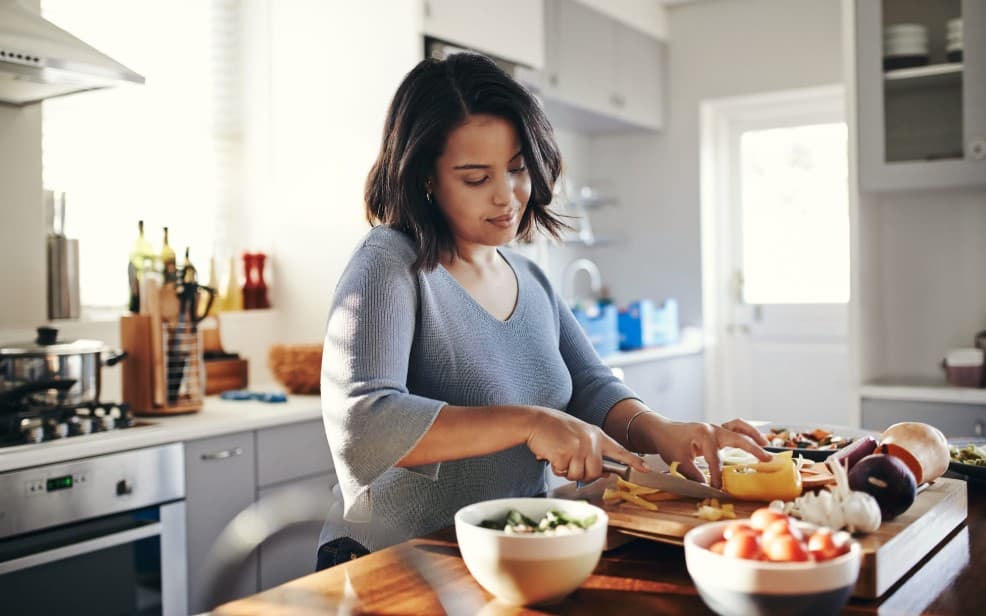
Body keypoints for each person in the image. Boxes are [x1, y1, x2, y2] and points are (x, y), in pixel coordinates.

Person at [316, 52, 769, 570]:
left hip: (502, 555)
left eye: (517, 169)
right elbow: (362, 421)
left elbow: (591, 388)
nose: (508, 197)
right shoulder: (388, 262)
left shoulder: (527, 276)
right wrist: (529, 422)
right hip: (392, 559)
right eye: (474, 178)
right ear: (425, 177)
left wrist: (660, 431)